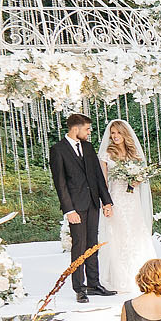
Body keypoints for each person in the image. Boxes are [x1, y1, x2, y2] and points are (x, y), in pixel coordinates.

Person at [47, 112, 115, 302]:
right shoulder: (58, 150)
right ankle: (79, 288)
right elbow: (60, 183)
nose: (89, 132)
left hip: (92, 203)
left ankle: (94, 284)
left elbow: (98, 177)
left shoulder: (88, 147)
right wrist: (69, 210)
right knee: (79, 245)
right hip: (75, 206)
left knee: (93, 244)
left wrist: (106, 202)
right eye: (87, 129)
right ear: (75, 128)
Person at [96, 118, 157, 287]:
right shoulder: (106, 154)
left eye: (118, 132)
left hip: (133, 199)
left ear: (125, 134)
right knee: (119, 235)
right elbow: (103, 182)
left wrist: (137, 180)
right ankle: (122, 278)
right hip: (116, 199)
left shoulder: (134, 153)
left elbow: (142, 174)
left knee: (137, 233)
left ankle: (145, 275)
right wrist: (106, 204)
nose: (115, 136)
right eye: (112, 133)